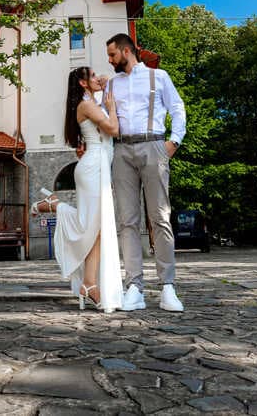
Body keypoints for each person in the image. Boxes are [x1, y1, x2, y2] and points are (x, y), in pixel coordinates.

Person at [105, 33, 186, 312]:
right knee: (127, 221)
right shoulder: (112, 84)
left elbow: (177, 108)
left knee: (160, 217)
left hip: (154, 146)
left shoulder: (158, 76)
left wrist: (174, 141)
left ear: (127, 52)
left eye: (113, 55)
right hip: (122, 151)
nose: (110, 60)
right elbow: (106, 118)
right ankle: (134, 288)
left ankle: (167, 288)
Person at [31, 67, 122, 312]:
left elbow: (107, 91)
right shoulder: (86, 105)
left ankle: (89, 284)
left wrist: (104, 85)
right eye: (92, 76)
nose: (97, 77)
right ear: (82, 83)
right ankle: (53, 205)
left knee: (98, 229)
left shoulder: (92, 101)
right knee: (88, 226)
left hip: (99, 167)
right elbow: (113, 129)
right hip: (93, 168)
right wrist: (112, 108)